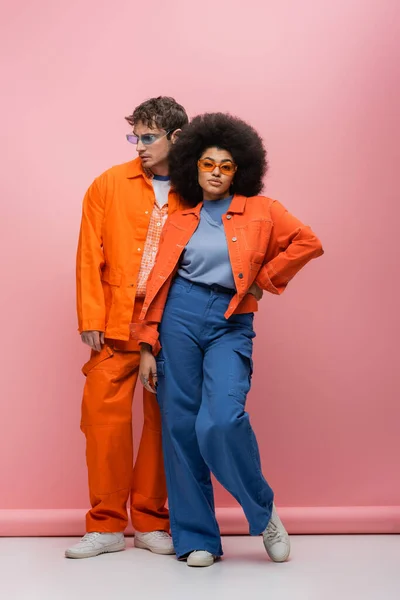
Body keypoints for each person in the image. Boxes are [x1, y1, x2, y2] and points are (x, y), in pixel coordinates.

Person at [135, 112, 323, 567]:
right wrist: (145, 344)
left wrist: (264, 281)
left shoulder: (262, 210)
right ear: (193, 167)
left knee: (220, 419)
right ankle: (198, 538)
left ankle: (264, 511)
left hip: (229, 318)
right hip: (178, 314)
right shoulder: (179, 217)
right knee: (180, 427)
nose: (215, 172)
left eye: (225, 165)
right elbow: (157, 281)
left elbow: (307, 242)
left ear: (240, 169)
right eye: (206, 164)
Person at [65, 97, 189, 559]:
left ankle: (153, 521)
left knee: (163, 423)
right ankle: (105, 526)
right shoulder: (109, 184)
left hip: (170, 325)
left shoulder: (197, 187)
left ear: (175, 138)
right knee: (103, 423)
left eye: (148, 137)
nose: (138, 145)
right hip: (114, 322)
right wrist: (91, 318)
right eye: (134, 136)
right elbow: (87, 254)